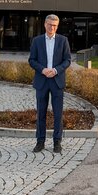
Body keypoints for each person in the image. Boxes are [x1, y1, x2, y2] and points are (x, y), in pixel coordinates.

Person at [28, 14, 72, 153]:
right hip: (42, 81)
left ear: (57, 26)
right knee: (41, 113)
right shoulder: (37, 41)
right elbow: (32, 60)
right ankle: (40, 142)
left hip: (57, 81)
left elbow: (67, 60)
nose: (52, 27)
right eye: (49, 24)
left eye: (54, 25)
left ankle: (57, 142)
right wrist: (43, 70)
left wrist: (55, 70)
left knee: (58, 114)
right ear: (45, 25)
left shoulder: (63, 40)